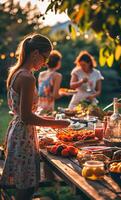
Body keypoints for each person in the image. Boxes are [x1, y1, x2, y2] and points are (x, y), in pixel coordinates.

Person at [0, 34, 70, 200]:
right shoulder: (27, 77)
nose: (45, 63)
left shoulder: (16, 72)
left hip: (19, 132)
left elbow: (21, 112)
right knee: (27, 187)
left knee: (25, 183)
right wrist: (57, 123)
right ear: (35, 53)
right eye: (45, 58)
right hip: (23, 134)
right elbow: (26, 117)